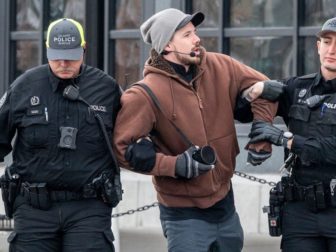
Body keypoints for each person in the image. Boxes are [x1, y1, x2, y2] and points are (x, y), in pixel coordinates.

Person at [113, 8, 277, 252]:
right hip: (183, 218)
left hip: (226, 208)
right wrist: (174, 165)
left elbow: (268, 89)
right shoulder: (143, 94)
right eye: (187, 35)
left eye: (195, 32)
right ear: (167, 46)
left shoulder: (221, 66)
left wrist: (261, 133)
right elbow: (120, 150)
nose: (197, 39)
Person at [0, 18, 121, 251]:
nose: (63, 62)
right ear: (47, 51)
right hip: (34, 210)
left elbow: (131, 136)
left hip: (89, 209)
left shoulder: (106, 89)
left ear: (84, 50)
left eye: (71, 56)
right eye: (56, 56)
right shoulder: (25, 86)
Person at [246, 17, 336, 252]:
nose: (332, 50)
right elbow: (244, 109)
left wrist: (286, 140)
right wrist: (255, 90)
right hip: (300, 212)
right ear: (318, 46)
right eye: (327, 42)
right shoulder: (297, 88)